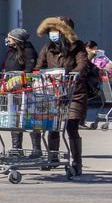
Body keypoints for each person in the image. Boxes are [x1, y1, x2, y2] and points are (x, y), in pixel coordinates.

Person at [35, 16, 91, 175]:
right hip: (55, 93)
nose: (54, 33)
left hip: (75, 93)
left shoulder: (78, 47)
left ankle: (77, 163)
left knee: (72, 127)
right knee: (53, 126)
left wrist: (70, 75)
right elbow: (39, 66)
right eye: (51, 30)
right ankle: (53, 157)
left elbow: (83, 64)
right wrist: (41, 74)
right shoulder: (48, 48)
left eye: (56, 30)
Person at [2, 28, 42, 156]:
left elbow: (31, 71)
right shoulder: (10, 52)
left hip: (26, 91)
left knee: (29, 118)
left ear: (17, 40)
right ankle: (16, 148)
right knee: (14, 118)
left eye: (10, 38)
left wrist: (20, 78)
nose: (7, 40)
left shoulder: (28, 51)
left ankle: (36, 149)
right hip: (12, 91)